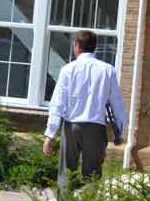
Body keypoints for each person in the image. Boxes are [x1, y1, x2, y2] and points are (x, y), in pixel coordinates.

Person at [43, 30, 126, 187]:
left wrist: (50, 134)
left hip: (71, 126)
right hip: (96, 128)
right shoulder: (108, 70)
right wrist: (119, 132)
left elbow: (58, 103)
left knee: (67, 175)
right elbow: (117, 104)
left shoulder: (68, 70)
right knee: (92, 178)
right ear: (95, 47)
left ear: (76, 45)